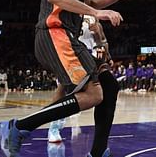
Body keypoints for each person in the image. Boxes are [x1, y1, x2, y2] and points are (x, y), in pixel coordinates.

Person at [0, 0, 142, 157]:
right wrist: (95, 13)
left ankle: (99, 151)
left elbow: (91, 1)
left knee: (109, 86)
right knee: (94, 95)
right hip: (55, 34)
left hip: (62, 36)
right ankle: (17, 127)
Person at [48, 15, 115, 144]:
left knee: (103, 92)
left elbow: (103, 42)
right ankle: (54, 127)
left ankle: (100, 141)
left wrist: (106, 51)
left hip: (91, 58)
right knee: (63, 89)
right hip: (71, 55)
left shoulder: (93, 16)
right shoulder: (68, 11)